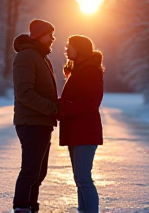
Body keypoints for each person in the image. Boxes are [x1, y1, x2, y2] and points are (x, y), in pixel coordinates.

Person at [12, 19, 59, 213]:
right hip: (31, 122)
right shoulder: (27, 57)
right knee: (31, 170)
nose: (52, 38)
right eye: (49, 34)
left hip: (41, 121)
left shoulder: (40, 57)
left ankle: (30, 207)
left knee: (39, 172)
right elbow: (24, 93)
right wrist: (52, 108)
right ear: (39, 35)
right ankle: (22, 206)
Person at [58, 35, 104, 213]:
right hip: (76, 131)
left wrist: (64, 108)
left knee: (83, 178)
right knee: (80, 179)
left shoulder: (90, 70)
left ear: (80, 49)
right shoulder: (79, 69)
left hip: (85, 131)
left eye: (70, 46)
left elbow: (90, 102)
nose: (66, 49)